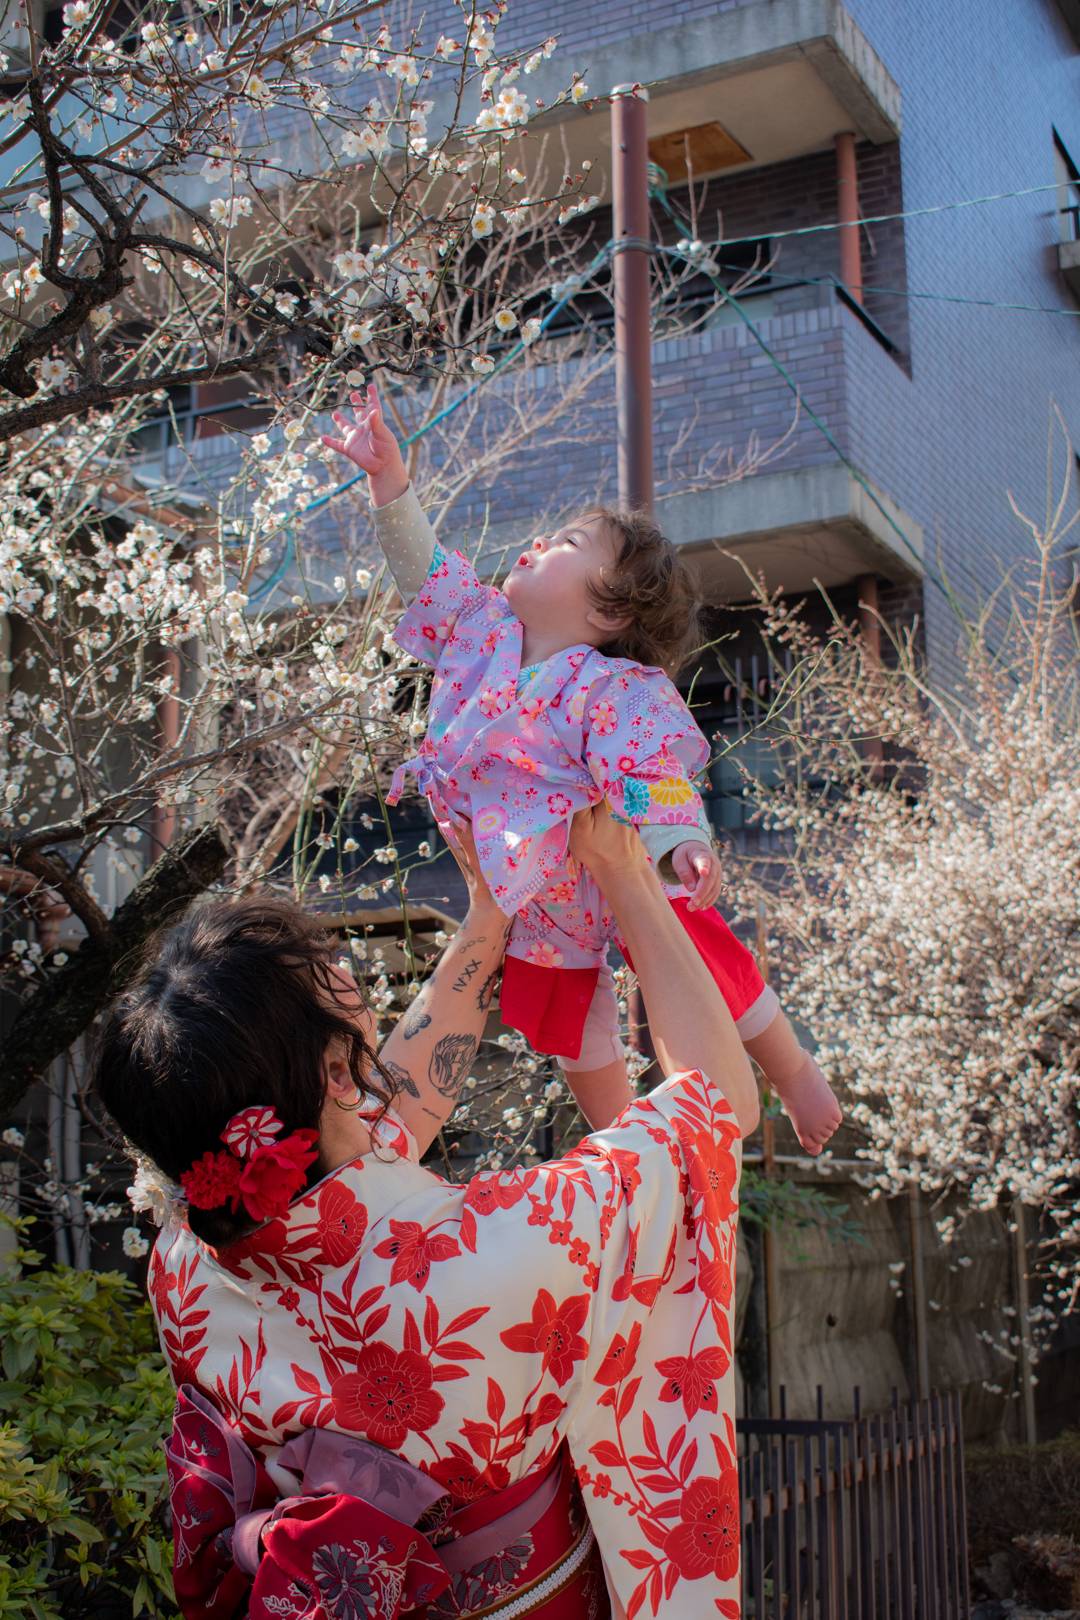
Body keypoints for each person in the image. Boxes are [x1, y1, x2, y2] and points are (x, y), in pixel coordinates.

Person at [95, 804, 758, 1619]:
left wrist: (491, 913)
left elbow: (373, 1136)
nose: (343, 964)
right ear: (337, 1072)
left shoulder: (182, 1270)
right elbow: (716, 1107)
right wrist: (624, 873)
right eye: (327, 966)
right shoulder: (502, 1254)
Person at [321, 386, 841, 1155]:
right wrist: (390, 486)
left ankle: (794, 1071)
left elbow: (651, 770)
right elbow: (421, 572)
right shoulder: (477, 628)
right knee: (572, 1028)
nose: (536, 544)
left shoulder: (608, 688)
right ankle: (622, 1147)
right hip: (532, 888)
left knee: (702, 956)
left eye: (566, 543)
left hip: (613, 860)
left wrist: (679, 838)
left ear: (608, 614)